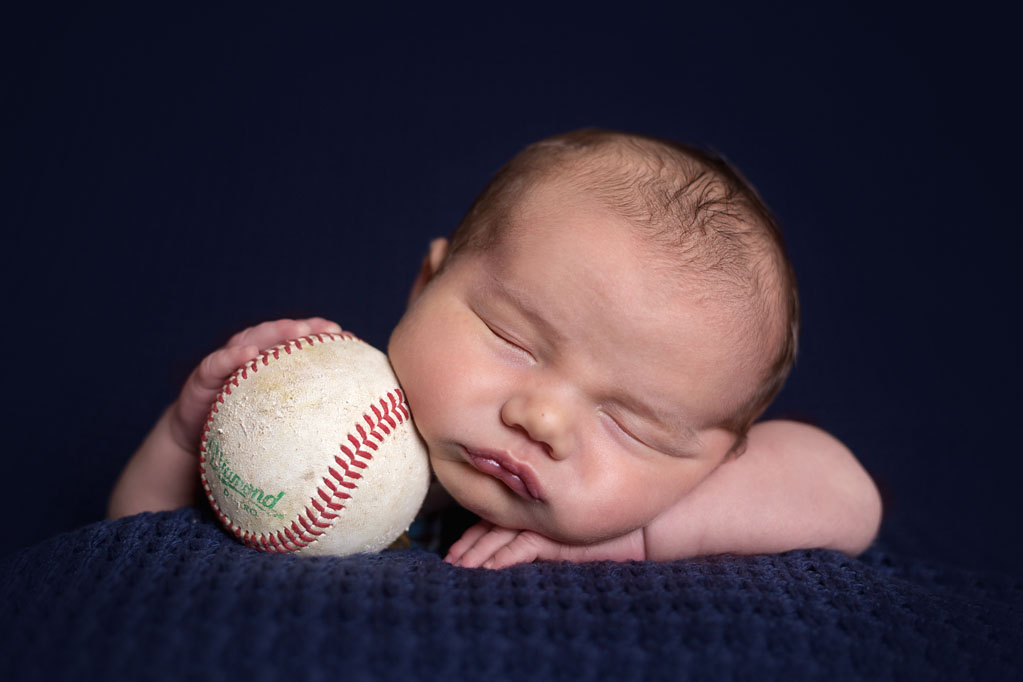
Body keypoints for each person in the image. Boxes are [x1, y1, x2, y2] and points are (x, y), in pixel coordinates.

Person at [108, 129, 882, 569]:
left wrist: (638, 533)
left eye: (631, 425)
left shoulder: (673, 502)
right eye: (513, 340)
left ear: (717, 461)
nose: (542, 418)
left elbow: (846, 496)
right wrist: (186, 440)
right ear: (425, 284)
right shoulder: (320, 424)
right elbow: (132, 548)